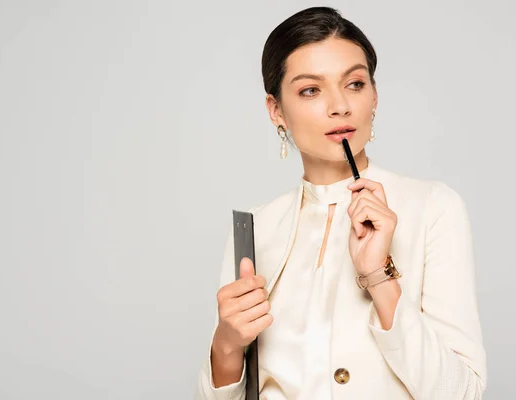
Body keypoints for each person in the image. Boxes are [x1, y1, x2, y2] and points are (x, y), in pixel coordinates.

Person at [195, 6, 487, 400]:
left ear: (375, 95)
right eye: (310, 90)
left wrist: (380, 278)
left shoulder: (433, 208)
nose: (340, 106)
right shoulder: (255, 229)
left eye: (354, 83)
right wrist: (226, 346)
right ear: (276, 110)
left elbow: (463, 393)